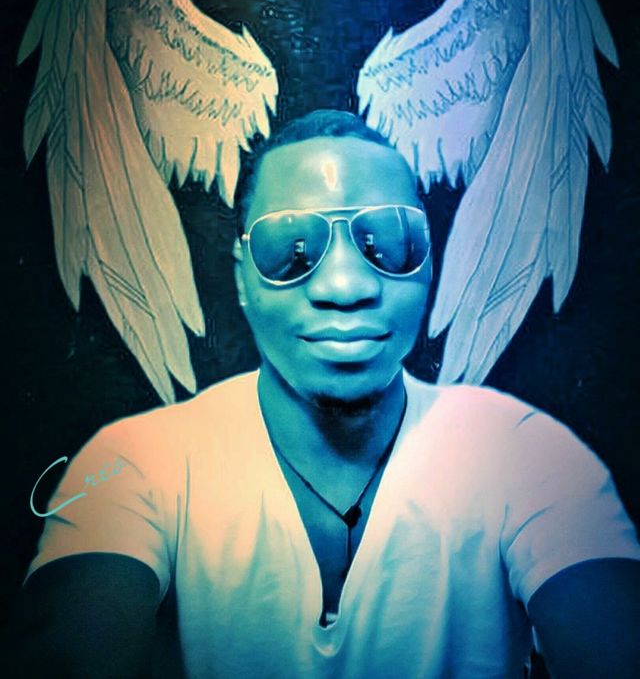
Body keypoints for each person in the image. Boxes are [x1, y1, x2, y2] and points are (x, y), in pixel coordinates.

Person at [4, 110, 640, 677]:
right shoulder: (143, 463)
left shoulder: (522, 456)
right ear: (242, 278)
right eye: (293, 247)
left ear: (429, 262)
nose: (344, 285)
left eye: (390, 241)